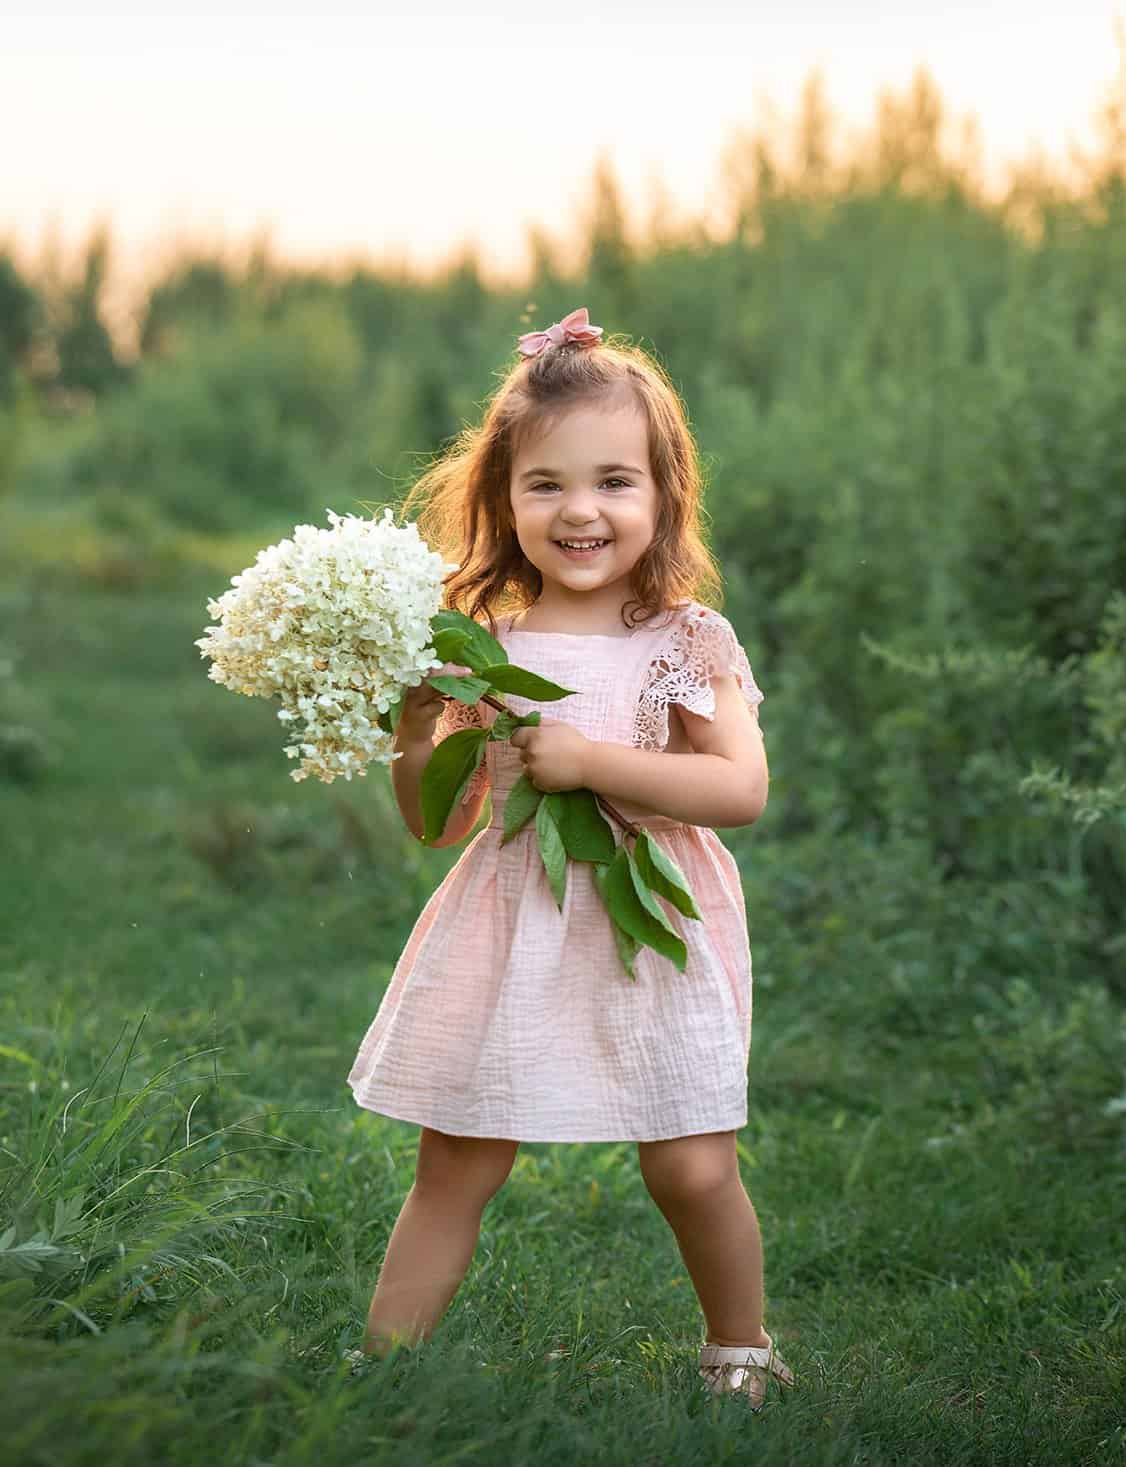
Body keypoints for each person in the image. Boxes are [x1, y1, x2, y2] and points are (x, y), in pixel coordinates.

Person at [346, 307, 792, 1410]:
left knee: (688, 1162)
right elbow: (437, 824)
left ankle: (739, 1353)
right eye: (545, 485)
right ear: (502, 499)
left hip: (654, 923)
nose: (580, 511)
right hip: (510, 920)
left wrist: (591, 759)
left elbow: (738, 788)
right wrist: (413, 722)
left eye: (613, 482)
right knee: (458, 1157)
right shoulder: (475, 645)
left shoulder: (684, 640)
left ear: (662, 492)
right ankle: (380, 1373)